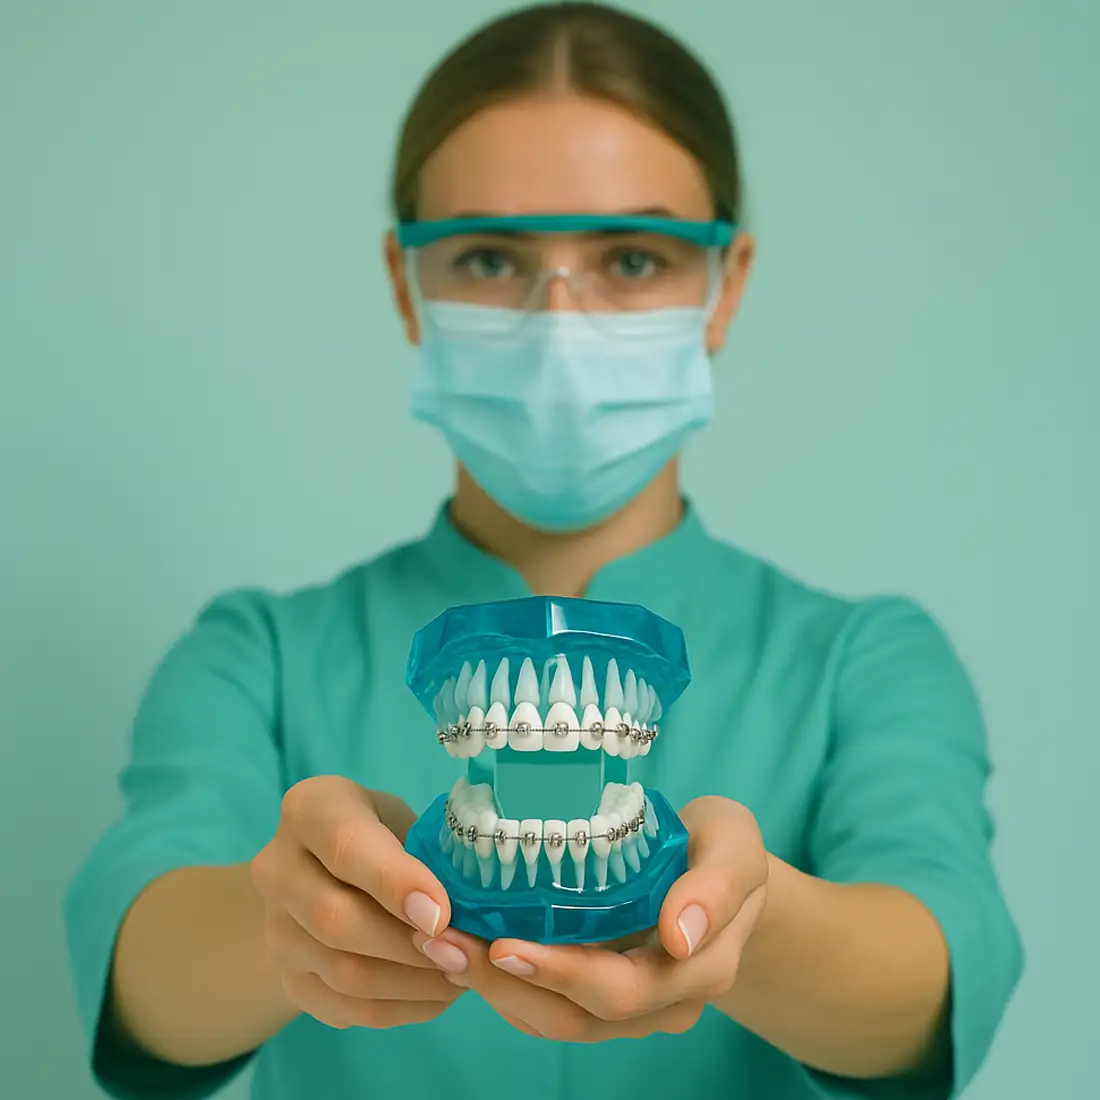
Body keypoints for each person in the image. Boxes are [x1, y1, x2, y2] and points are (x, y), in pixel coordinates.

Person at [63, 4, 1023, 1099]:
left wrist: (749, 923)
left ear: (726, 284)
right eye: (486, 257)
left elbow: (942, 970)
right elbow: (130, 961)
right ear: (402, 282)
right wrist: (282, 919)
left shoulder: (865, 659)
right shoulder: (257, 654)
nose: (559, 325)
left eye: (629, 256)